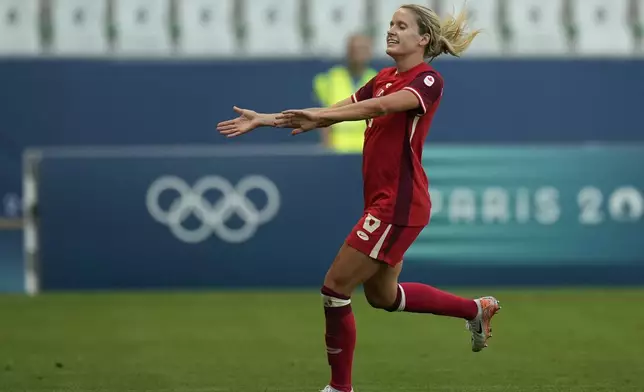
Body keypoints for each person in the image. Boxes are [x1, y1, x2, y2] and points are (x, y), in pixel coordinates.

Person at [217, 4, 500, 392]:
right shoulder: (383, 77)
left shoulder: (429, 80)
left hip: (399, 204)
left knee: (334, 288)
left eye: (402, 26)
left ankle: (339, 388)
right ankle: (476, 310)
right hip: (384, 202)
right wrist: (266, 119)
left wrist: (329, 116)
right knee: (383, 296)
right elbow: (333, 111)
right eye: (390, 24)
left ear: (423, 40)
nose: (391, 31)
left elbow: (380, 107)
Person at [312, 34, 378, 153]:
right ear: (348, 52)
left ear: (369, 53)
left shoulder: (378, 80)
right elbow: (322, 114)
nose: (358, 54)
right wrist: (328, 147)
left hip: (368, 148)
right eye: (354, 49)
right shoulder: (330, 78)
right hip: (337, 147)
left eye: (362, 49)